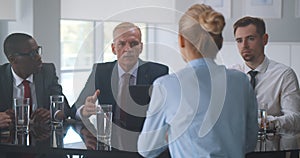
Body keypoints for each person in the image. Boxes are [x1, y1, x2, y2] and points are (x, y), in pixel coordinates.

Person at [137, 4, 258, 158]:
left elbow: (147, 149)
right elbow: (250, 142)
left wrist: (173, 135)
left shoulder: (166, 85)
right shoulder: (241, 81)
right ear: (219, 41)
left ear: (181, 40)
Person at [73, 22, 169, 152]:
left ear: (141, 48)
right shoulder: (100, 72)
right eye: (122, 44)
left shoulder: (158, 72)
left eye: (133, 44)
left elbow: (166, 115)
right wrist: (84, 110)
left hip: (144, 146)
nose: (128, 49)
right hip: (107, 145)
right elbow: (74, 109)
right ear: (113, 48)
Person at [231, 16, 300, 131]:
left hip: (271, 145)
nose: (244, 46)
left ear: (264, 39)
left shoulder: (284, 75)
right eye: (239, 40)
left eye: (251, 38)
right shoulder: (231, 74)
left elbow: (295, 119)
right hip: (237, 146)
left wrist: (264, 123)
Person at [0, 33, 73, 126]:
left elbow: (65, 108)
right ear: (13, 59)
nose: (38, 57)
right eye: (32, 54)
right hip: (7, 138)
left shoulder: (47, 72)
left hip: (42, 136)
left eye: (37, 51)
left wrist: (52, 113)